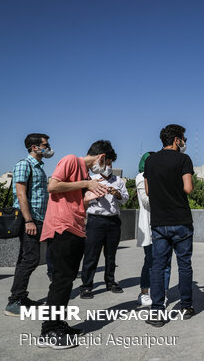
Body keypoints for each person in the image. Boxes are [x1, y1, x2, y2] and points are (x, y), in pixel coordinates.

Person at [38, 140, 114, 349]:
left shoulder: (86, 174)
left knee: (68, 280)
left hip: (76, 228)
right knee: (61, 281)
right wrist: (86, 184)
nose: (106, 168)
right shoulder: (71, 160)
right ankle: (49, 331)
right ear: (101, 157)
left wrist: (92, 193)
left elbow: (76, 200)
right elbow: (52, 186)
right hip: (62, 228)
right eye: (107, 162)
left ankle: (58, 325)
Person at [144, 124, 195, 326]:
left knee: (158, 266)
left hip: (158, 221)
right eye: (183, 138)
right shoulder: (183, 159)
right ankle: (186, 306)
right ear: (176, 140)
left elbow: (148, 191)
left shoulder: (150, 160)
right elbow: (188, 188)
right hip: (181, 220)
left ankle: (157, 311)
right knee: (184, 265)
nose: (184, 142)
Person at [4, 133, 52, 317]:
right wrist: (29, 220)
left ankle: (21, 297)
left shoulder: (39, 167)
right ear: (34, 147)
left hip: (38, 218)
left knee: (25, 258)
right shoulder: (24, 164)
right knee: (30, 259)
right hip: (29, 219)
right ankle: (14, 302)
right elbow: (21, 194)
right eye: (45, 145)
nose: (48, 148)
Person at [79, 149, 128, 299]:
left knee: (111, 254)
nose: (109, 166)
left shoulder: (118, 180)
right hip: (95, 219)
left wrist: (117, 194)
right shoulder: (91, 179)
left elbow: (125, 198)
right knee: (91, 254)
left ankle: (110, 281)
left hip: (113, 220)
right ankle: (87, 286)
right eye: (107, 162)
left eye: (111, 163)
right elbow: (83, 198)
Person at [135, 152, 172, 306]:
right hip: (149, 225)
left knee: (167, 263)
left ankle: (162, 294)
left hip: (166, 223)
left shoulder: (162, 175)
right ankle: (144, 292)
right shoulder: (140, 177)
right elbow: (146, 201)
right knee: (150, 261)